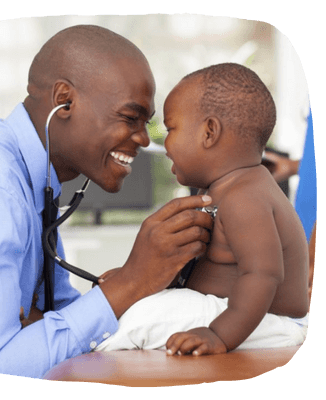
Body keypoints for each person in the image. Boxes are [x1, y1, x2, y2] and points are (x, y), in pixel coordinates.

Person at [0, 25, 213, 378]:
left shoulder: (36, 183)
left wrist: (144, 284)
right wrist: (131, 280)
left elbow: (55, 318)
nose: (144, 139)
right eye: (131, 118)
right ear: (64, 101)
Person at [96, 63, 309, 356]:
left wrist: (218, 334)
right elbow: (196, 263)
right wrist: (134, 283)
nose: (164, 143)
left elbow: (263, 275)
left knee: (139, 319)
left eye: (171, 128)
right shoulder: (220, 190)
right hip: (235, 312)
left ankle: (73, 345)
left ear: (209, 132)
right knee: (138, 306)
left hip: (262, 321)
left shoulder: (245, 198)